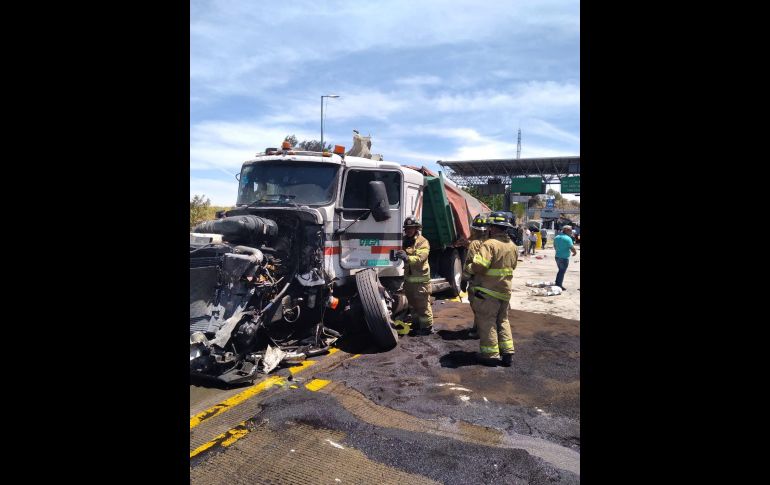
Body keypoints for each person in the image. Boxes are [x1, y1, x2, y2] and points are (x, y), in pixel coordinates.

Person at [469, 211, 519, 367]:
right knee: (502, 320)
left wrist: (470, 268)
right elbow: (514, 266)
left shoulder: (489, 244)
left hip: (488, 291)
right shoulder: (513, 246)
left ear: (492, 227)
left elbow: (480, 266)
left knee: (487, 321)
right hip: (505, 292)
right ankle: (507, 352)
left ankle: (490, 354)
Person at [394, 217, 433, 335]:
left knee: (423, 306)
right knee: (412, 305)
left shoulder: (422, 241)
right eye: (407, 228)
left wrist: (407, 257)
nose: (409, 230)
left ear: (417, 228)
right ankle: (417, 325)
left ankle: (427, 328)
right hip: (409, 281)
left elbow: (421, 258)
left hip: (421, 281)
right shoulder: (404, 240)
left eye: (411, 228)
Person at [462, 214, 489, 339]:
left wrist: (464, 279)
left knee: (476, 306)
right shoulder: (491, 243)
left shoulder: (474, 244)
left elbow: (470, 263)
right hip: (490, 282)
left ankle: (479, 330)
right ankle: (477, 327)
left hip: (476, 281)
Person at [553, 225, 578, 291]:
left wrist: (559, 251)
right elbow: (572, 248)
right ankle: (559, 285)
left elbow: (555, 246)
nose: (571, 232)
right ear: (566, 230)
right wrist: (575, 252)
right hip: (564, 258)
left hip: (557, 257)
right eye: (570, 230)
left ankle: (557, 283)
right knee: (562, 271)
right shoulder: (568, 238)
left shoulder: (557, 237)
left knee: (560, 271)